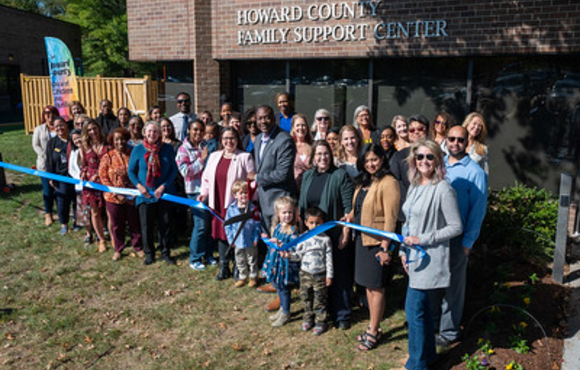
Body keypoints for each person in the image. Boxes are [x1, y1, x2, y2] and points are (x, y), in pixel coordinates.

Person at [398, 140, 462, 370]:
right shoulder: (415, 185)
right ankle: (429, 357)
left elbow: (456, 227)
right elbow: (409, 222)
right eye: (420, 157)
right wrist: (403, 251)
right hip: (413, 259)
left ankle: (416, 365)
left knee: (413, 311)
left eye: (429, 157)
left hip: (430, 260)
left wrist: (422, 239)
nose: (424, 161)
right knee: (421, 312)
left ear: (437, 160)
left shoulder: (443, 189)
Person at [431, 126, 488, 349]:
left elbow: (478, 210)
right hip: (434, 236)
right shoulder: (437, 164)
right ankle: (433, 324)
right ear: (446, 140)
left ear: (467, 142)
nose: (455, 143)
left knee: (453, 287)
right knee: (434, 283)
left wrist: (468, 243)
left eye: (460, 140)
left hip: (457, 238)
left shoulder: (475, 172)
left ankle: (449, 331)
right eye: (451, 139)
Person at [346, 143, 400, 351]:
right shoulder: (364, 181)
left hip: (377, 245)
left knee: (377, 288)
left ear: (382, 159)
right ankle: (372, 326)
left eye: (374, 159)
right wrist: (349, 217)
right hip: (362, 241)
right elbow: (357, 208)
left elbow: (390, 219)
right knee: (368, 287)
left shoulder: (389, 182)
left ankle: (374, 331)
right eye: (366, 160)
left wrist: (385, 248)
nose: (370, 164)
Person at [298, 140, 354, 330]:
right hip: (312, 236)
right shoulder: (307, 176)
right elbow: (302, 205)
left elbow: (348, 207)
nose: (322, 158)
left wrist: (345, 231)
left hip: (334, 234)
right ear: (313, 157)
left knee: (339, 274)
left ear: (331, 155)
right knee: (318, 276)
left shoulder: (340, 175)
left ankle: (342, 314)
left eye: (326, 154)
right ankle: (323, 312)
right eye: (319, 154)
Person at [199, 127, 256, 280]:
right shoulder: (214, 156)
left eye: (232, 138)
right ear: (221, 140)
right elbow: (206, 177)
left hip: (235, 204)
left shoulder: (245, 157)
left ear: (237, 139)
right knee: (221, 234)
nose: (229, 141)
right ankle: (224, 267)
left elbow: (252, 182)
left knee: (238, 234)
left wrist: (249, 198)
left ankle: (239, 267)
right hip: (217, 201)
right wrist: (204, 193)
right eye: (225, 138)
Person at [128, 121, 178, 266]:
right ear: (144, 132)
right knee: (146, 226)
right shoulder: (137, 150)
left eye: (155, 131)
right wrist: (139, 186)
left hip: (164, 193)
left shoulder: (167, 149)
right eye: (149, 131)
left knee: (165, 224)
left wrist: (163, 186)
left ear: (160, 133)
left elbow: (173, 171)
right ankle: (149, 253)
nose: (152, 134)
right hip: (145, 195)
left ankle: (165, 252)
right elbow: (131, 171)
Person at [283, 206, 333, 335]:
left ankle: (321, 322)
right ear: (306, 223)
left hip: (320, 275)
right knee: (305, 298)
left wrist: (329, 275)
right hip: (305, 274)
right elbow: (298, 255)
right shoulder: (303, 238)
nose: (314, 225)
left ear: (322, 223)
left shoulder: (325, 239)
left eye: (318, 223)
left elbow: (329, 259)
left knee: (319, 299)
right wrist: (289, 256)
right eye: (311, 223)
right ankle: (308, 319)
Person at [98, 128, 144, 261]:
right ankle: (118, 248)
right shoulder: (108, 157)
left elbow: (139, 172)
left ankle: (138, 246)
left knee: (134, 222)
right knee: (117, 224)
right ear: (112, 141)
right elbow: (103, 176)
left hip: (132, 195)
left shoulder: (133, 154)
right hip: (113, 197)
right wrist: (116, 194)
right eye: (116, 139)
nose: (120, 142)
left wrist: (135, 194)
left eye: (122, 139)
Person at [176, 119, 215, 271]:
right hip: (194, 191)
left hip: (209, 189)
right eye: (195, 130)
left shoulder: (206, 145)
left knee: (210, 224)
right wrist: (201, 160)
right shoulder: (183, 150)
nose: (198, 133)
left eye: (201, 130)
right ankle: (195, 257)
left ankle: (208, 254)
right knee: (200, 225)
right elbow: (185, 172)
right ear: (189, 131)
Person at [250, 105, 297, 233]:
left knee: (281, 245)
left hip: (280, 203)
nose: (263, 122)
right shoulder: (258, 139)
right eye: (260, 118)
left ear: (274, 119)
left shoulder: (284, 140)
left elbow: (283, 174)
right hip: (263, 202)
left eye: (267, 118)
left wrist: (256, 178)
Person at [262, 196, 300, 327]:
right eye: (284, 213)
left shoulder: (293, 230)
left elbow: (295, 248)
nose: (287, 215)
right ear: (278, 214)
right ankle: (282, 308)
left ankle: (286, 313)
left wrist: (282, 245)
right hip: (276, 262)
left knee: (284, 288)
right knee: (277, 285)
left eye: (290, 212)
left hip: (285, 264)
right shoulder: (277, 227)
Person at [389, 114, 430, 214]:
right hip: (407, 211)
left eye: (420, 129)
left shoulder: (439, 155)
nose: (416, 132)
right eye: (412, 130)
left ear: (427, 131)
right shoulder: (399, 156)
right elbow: (395, 184)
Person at [80, 119, 109, 253]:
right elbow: (84, 164)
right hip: (91, 183)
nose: (93, 132)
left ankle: (114, 238)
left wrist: (100, 174)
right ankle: (101, 239)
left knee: (109, 212)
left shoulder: (108, 144)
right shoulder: (85, 146)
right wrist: (83, 173)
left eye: (94, 128)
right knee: (95, 212)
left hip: (106, 180)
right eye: (89, 130)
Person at [225, 180, 261, 288]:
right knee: (240, 260)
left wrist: (256, 238)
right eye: (240, 193)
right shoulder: (231, 210)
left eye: (245, 193)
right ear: (235, 195)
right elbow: (228, 226)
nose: (243, 195)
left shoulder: (253, 209)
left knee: (252, 259)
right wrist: (231, 240)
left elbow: (257, 225)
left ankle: (253, 276)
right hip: (238, 241)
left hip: (250, 240)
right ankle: (242, 277)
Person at [45, 117, 75, 236]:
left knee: (76, 200)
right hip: (60, 177)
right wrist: (50, 177)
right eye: (56, 126)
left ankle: (77, 222)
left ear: (67, 125)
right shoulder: (52, 143)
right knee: (62, 201)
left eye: (61, 125)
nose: (59, 128)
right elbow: (49, 161)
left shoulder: (73, 139)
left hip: (74, 176)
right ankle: (64, 224)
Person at [32, 105, 59, 226]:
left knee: (59, 190)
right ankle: (48, 214)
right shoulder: (39, 129)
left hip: (58, 165)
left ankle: (60, 212)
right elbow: (35, 145)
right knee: (47, 191)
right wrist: (45, 155)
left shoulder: (60, 127)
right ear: (44, 115)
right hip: (44, 165)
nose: (50, 116)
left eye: (52, 113)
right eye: (47, 113)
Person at [68, 129, 93, 245]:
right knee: (83, 213)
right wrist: (80, 178)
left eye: (79, 137)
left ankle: (99, 233)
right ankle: (88, 234)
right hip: (79, 187)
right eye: (74, 139)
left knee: (94, 211)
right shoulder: (73, 153)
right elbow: (71, 169)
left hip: (92, 186)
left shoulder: (90, 150)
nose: (77, 140)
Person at [291, 113, 313, 190]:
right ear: (293, 128)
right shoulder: (289, 147)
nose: (301, 128)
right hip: (293, 189)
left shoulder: (313, 146)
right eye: (298, 125)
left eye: (303, 125)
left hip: (311, 188)